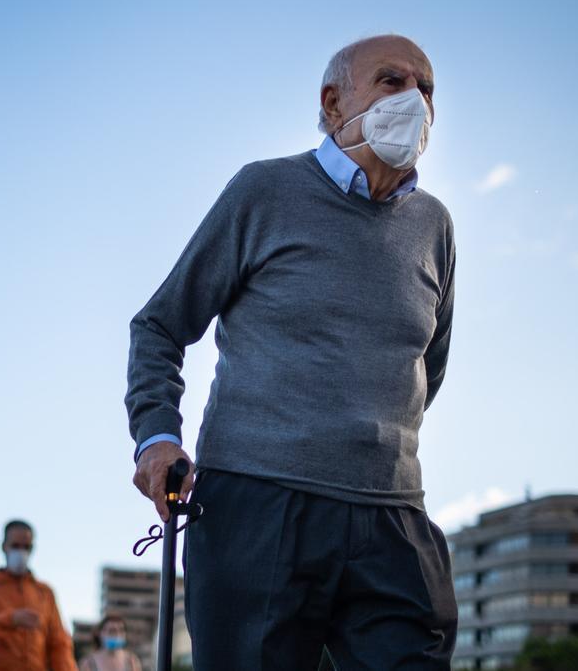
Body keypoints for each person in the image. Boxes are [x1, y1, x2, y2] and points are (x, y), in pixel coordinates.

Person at [125, 34, 458, 670]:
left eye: (427, 88)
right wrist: (156, 437)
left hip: (392, 517)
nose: (415, 99)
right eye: (392, 81)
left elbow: (427, 368)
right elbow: (160, 326)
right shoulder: (264, 192)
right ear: (334, 103)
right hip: (259, 507)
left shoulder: (434, 226)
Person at [0, 520, 77, 671]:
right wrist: (11, 619)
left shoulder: (45, 593)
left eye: (26, 547)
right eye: (15, 546)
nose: (21, 552)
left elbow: (59, 644)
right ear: (3, 547)